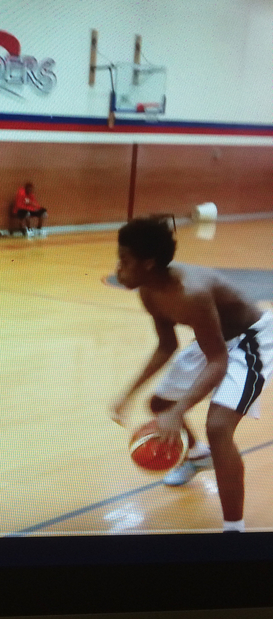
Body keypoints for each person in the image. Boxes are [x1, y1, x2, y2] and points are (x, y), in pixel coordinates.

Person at [111, 217, 273, 533]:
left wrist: (179, 411)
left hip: (252, 340)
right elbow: (166, 345)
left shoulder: (191, 292)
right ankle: (198, 456)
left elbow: (218, 362)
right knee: (160, 405)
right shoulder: (149, 291)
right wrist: (128, 394)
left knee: (218, 427)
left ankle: (234, 532)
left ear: (148, 263)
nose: (118, 269)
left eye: (125, 261)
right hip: (215, 339)